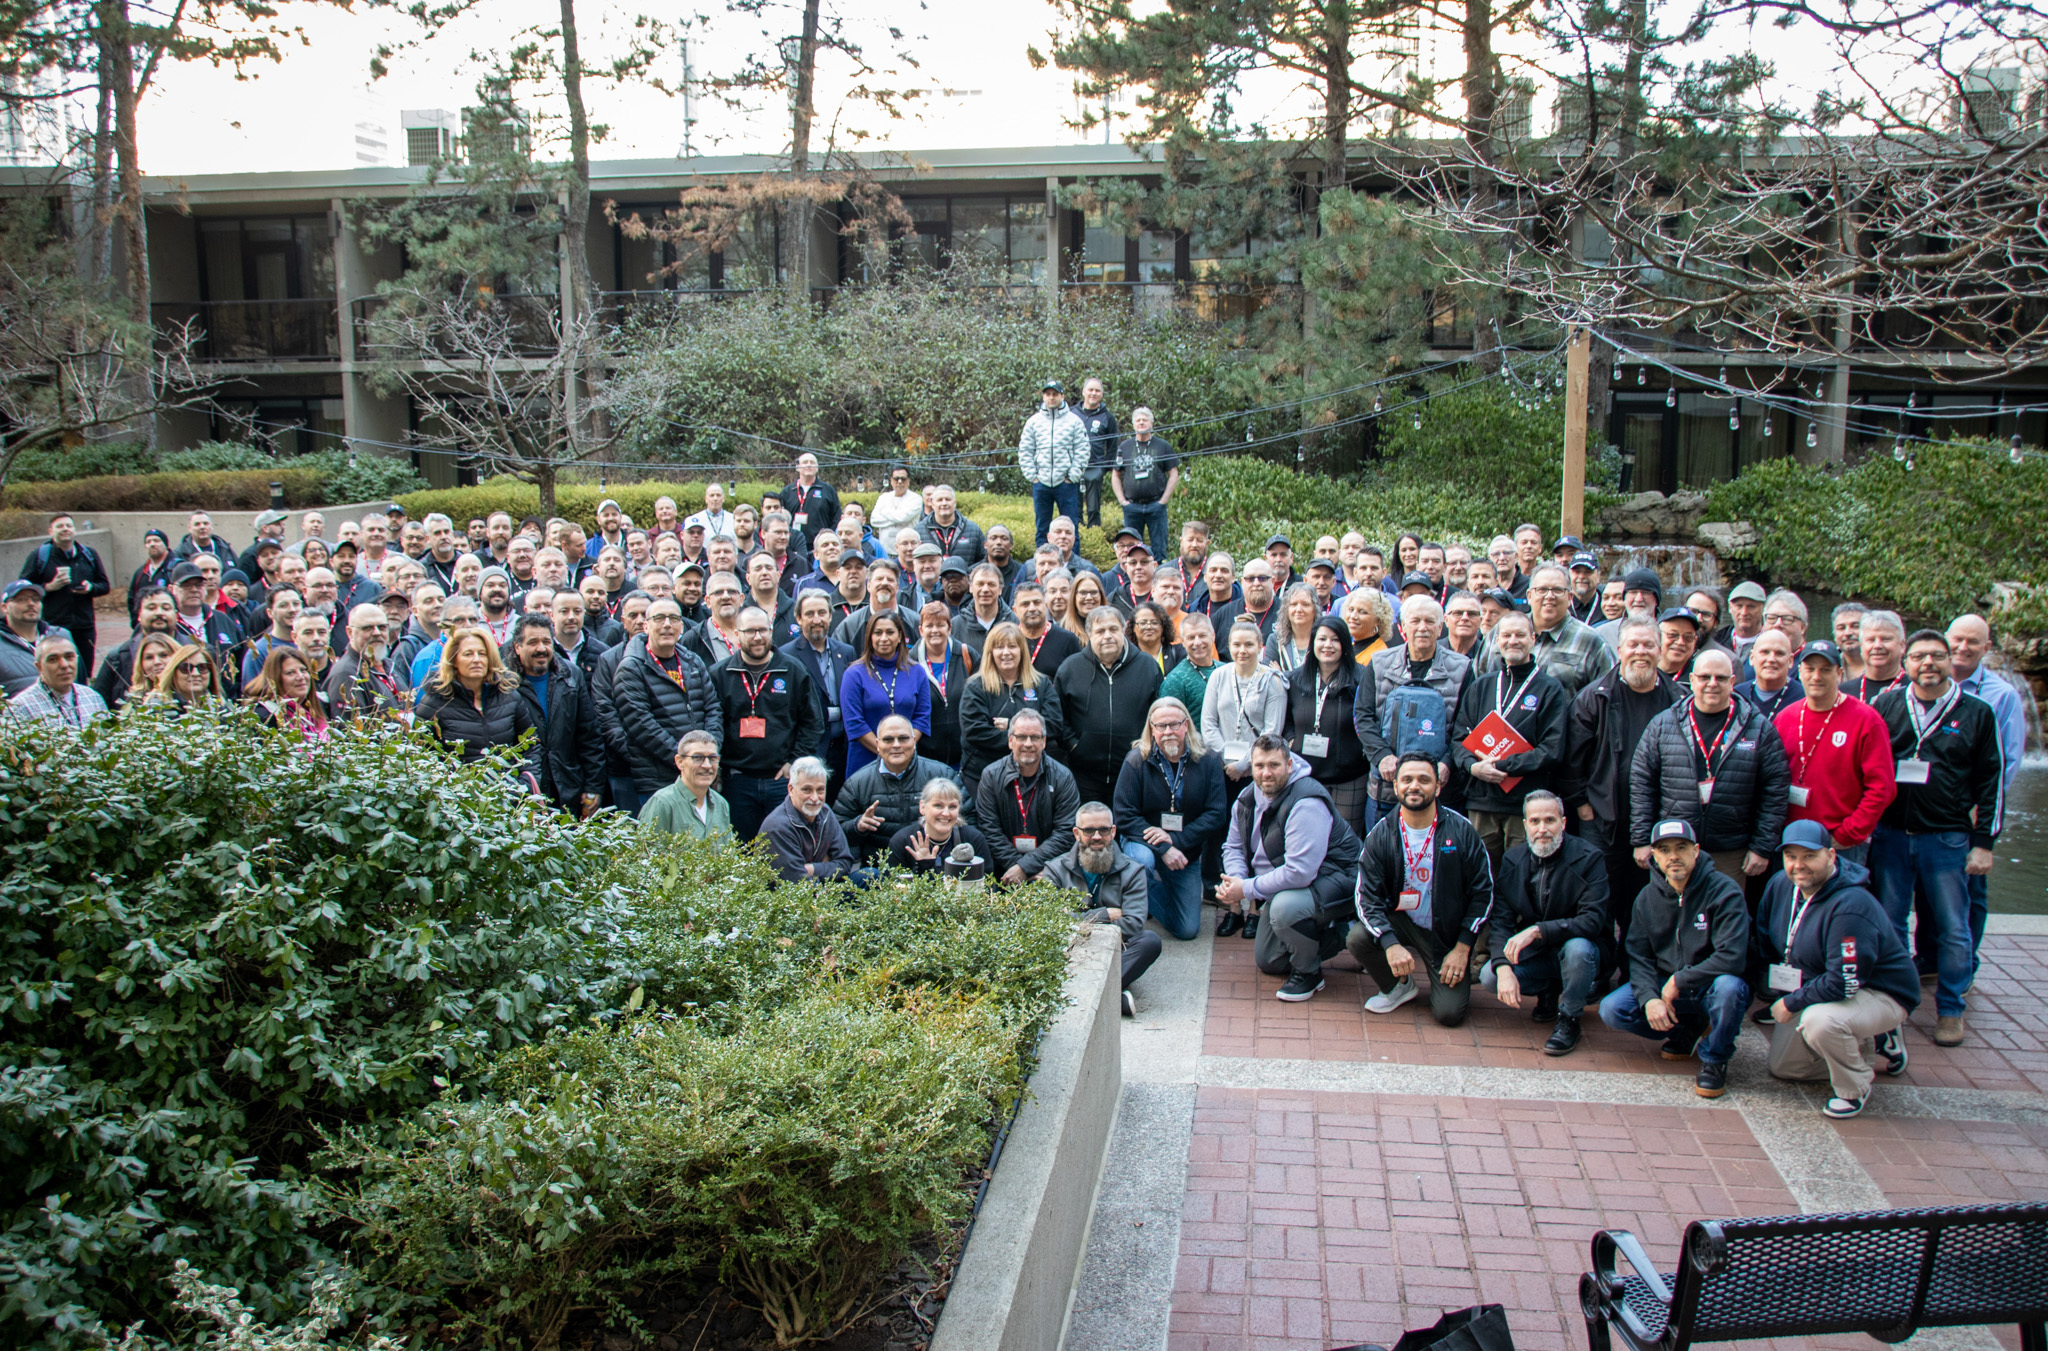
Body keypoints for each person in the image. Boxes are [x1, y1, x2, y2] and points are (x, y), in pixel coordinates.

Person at [1868, 629, 2003, 1048]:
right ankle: (1891, 1002)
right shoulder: (1886, 705)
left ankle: (1950, 1009)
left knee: (1952, 927)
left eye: (1937, 656)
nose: (1928, 664)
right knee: (1889, 924)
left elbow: (1991, 782)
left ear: (1950, 662)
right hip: (1890, 835)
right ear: (1905, 663)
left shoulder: (1977, 712)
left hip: (1946, 838)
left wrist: (1984, 843)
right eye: (1920, 657)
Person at [1751, 819, 1915, 1117]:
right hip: (1819, 984)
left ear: (1831, 856)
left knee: (1820, 1022)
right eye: (1791, 857)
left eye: (1809, 856)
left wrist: (1792, 1002)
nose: (1799, 865)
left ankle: (1855, 1086)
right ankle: (1876, 1038)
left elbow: (1844, 981)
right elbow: (1765, 940)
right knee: (1786, 1068)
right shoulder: (1780, 885)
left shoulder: (1851, 904)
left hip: (1876, 991)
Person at [1597, 819, 1751, 1098]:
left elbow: (1732, 957)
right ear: (1654, 856)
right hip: (1666, 983)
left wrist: (1680, 979)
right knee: (1612, 1009)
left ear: (1696, 850)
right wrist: (1649, 998)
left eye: (1681, 847)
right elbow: (1638, 954)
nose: (1673, 856)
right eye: (1664, 850)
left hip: (1710, 983)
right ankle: (1686, 1028)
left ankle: (1715, 1059)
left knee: (1731, 989)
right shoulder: (1646, 897)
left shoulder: (1724, 891)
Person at [1563, 616, 1683, 967]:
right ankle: (1598, 969)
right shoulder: (1594, 697)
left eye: (1648, 645)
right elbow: (1572, 759)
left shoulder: (1677, 700)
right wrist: (1582, 804)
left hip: (1658, 824)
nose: (1641, 652)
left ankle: (1637, 972)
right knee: (1598, 898)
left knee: (1646, 901)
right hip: (1601, 821)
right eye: (1634, 645)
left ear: (1660, 651)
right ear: (1620, 650)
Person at [1629, 647, 1790, 886]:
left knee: (1725, 917)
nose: (1712, 684)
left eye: (1721, 678)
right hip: (1674, 846)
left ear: (1733, 681)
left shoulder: (1758, 728)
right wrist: (1642, 839)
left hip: (1731, 850)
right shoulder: (1664, 725)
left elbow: (1775, 791)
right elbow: (1642, 783)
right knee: (1673, 916)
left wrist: (1762, 847)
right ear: (1692, 680)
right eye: (1705, 677)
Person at [1350, 754, 1492, 1024]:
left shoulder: (1462, 831)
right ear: (1396, 786)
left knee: (1448, 1015)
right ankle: (1398, 986)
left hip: (1447, 934)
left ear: (1438, 787)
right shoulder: (1381, 834)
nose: (1414, 786)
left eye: (1424, 780)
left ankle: (1443, 972)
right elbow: (1366, 898)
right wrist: (1390, 944)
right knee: (1358, 938)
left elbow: (1483, 894)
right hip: (1403, 920)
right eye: (1407, 779)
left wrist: (1463, 947)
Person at [1224, 736, 1363, 1002]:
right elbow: (1232, 847)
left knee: (1284, 908)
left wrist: (1247, 889)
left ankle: (1310, 972)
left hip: (1340, 878)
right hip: (1297, 884)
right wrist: (1236, 880)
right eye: (1259, 765)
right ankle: (1334, 934)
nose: (1266, 773)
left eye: (1274, 765)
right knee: (1271, 961)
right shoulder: (1246, 798)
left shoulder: (1306, 800)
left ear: (1289, 764)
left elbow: (1300, 872)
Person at [1482, 791, 1609, 1055]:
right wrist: (1503, 966)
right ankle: (1548, 991)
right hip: (1540, 953)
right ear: (1525, 824)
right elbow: (1502, 920)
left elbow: (1592, 921)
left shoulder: (1589, 857)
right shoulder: (1513, 859)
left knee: (1578, 950)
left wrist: (1539, 930)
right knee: (1489, 977)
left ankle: (1570, 1018)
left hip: (1584, 950)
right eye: (1535, 821)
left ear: (1563, 822)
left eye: (1550, 820)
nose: (1542, 829)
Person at [1450, 610, 1570, 868]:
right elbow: (1458, 739)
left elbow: (1552, 750)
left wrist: (1501, 766)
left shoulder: (1550, 689)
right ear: (1497, 640)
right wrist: (1473, 767)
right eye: (1506, 635)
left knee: (1522, 873)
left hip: (1526, 804)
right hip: (1482, 801)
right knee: (1479, 871)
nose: (1512, 640)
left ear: (1533, 639)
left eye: (1520, 635)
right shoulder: (1481, 685)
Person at [1354, 594, 1472, 832]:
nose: (1422, 628)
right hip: (1386, 786)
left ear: (1441, 628)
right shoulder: (1379, 663)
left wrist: (1447, 763)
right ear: (1402, 627)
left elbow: (1467, 726)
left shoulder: (1462, 668)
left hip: (1441, 789)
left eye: (1430, 621)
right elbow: (1362, 716)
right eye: (1415, 621)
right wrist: (1382, 756)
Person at [1113, 696, 1227, 941]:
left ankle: (1149, 895)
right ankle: (1139, 895)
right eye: (1160, 726)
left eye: (1174, 724)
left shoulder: (1208, 759)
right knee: (1140, 863)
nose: (1168, 732)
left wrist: (1178, 841)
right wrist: (1164, 847)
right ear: (1151, 729)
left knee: (1187, 930)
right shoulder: (1137, 760)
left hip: (1185, 849)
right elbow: (1124, 815)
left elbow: (1217, 813)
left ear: (1186, 725)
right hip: (1143, 843)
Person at [1773, 640, 1894, 865]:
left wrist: (1848, 833)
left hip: (1839, 844)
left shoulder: (1866, 720)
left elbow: (1882, 787)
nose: (1816, 677)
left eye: (1825, 670)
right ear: (1799, 671)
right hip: (1790, 841)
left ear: (1839, 674)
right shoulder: (1785, 717)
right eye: (1810, 669)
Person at [709, 604, 821, 839]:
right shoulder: (720, 674)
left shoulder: (793, 670)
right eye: (750, 631)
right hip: (737, 779)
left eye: (763, 630)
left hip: (779, 778)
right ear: (737, 634)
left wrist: (794, 761)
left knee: (782, 846)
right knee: (742, 848)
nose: (758, 637)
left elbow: (812, 722)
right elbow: (712, 722)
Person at [1043, 801, 1164, 1015]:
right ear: (1076, 833)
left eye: (1104, 830)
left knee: (1150, 942)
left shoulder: (1134, 871)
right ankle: (1113, 995)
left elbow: (1135, 925)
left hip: (1117, 948)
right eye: (1089, 830)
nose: (1097, 836)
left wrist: (1078, 920)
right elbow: (1051, 922)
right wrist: (1105, 914)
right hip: (1071, 947)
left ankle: (1077, 989)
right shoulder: (1054, 869)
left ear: (1113, 831)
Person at [609, 598, 723, 810]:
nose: (667, 624)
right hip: (657, 778)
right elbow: (641, 725)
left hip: (699, 773)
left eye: (674, 619)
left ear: (682, 625)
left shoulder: (692, 660)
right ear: (646, 625)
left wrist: (708, 754)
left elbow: (713, 708)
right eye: (659, 618)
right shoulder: (631, 668)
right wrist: (687, 760)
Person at [1055, 606, 1165, 809]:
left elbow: (1159, 713)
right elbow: (1058, 717)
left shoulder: (1147, 667)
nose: (1107, 636)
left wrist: (1146, 742)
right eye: (1100, 631)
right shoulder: (1070, 668)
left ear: (1124, 630)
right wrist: (1074, 745)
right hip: (1084, 774)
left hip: (1134, 771)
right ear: (1089, 634)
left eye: (1113, 629)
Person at [1282, 615, 1372, 837]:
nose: (1328, 646)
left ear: (1345, 643)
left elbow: (1369, 719)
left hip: (1348, 776)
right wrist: (1292, 739)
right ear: (1313, 643)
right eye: (1322, 639)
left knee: (1344, 839)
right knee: (1308, 835)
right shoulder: (1295, 679)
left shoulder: (1362, 677)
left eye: (1335, 640)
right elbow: (1285, 719)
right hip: (1306, 774)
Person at [507, 613, 603, 817]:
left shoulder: (570, 675)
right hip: (523, 790)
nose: (541, 648)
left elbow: (589, 735)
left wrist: (593, 787)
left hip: (568, 787)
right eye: (532, 642)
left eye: (546, 642)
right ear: (517, 647)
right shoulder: (505, 683)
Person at [414, 630, 541, 780]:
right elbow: (420, 755)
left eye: (482, 653)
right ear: (454, 660)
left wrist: (525, 783)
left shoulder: (508, 696)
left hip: (509, 795)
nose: (476, 659)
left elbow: (531, 744)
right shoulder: (435, 702)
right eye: (468, 654)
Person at [960, 621, 1064, 804]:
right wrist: (1024, 739)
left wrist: (1010, 727)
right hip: (983, 776)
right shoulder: (976, 687)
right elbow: (975, 731)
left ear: (1022, 650)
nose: (1006, 652)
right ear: (990, 652)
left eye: (1012, 646)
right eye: (999, 647)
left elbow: (1054, 724)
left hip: (1033, 776)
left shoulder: (1041, 684)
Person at [975, 710, 1080, 884]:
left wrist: (1025, 868)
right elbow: (988, 829)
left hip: (1048, 871)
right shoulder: (991, 776)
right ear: (1010, 741)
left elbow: (1065, 833)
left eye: (1035, 737)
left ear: (1044, 741)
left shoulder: (1063, 777)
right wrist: (1018, 868)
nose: (1028, 743)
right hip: (1003, 871)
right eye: (1022, 737)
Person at [833, 713, 956, 861]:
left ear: (914, 740)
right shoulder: (857, 783)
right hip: (880, 871)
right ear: (877, 744)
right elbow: (836, 834)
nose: (896, 745)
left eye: (903, 738)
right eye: (888, 739)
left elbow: (968, 823)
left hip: (936, 868)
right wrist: (857, 826)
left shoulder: (942, 774)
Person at [1202, 619, 1287, 800]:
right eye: (1237, 644)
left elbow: (1271, 731)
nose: (1242, 650)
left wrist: (1242, 765)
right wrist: (1227, 760)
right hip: (1222, 767)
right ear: (1229, 646)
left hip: (1258, 770)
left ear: (1260, 647)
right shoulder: (1218, 676)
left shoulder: (1273, 681)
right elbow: (1208, 724)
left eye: (1249, 644)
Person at [17, 513, 110, 676]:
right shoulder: (40, 556)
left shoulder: (89, 555)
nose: (65, 529)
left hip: (84, 625)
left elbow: (104, 585)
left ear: (74, 530)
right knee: (53, 671)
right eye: (60, 526)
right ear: (50, 532)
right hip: (53, 625)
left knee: (83, 671)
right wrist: (49, 587)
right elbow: (24, 588)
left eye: (68, 526)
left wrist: (90, 588)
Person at [840, 612, 930, 777]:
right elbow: (854, 724)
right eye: (877, 633)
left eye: (890, 632)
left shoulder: (917, 672)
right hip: (865, 764)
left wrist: (903, 751)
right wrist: (888, 753)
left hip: (908, 762)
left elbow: (922, 718)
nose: (884, 638)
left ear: (900, 636)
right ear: (869, 637)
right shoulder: (854, 674)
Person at [780, 590, 857, 784]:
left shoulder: (846, 652)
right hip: (808, 749)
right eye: (809, 614)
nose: (817, 619)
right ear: (798, 618)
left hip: (843, 748)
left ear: (830, 616)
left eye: (822, 613)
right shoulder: (786, 655)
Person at [761, 757, 865, 884]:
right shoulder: (777, 826)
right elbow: (797, 880)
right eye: (807, 790)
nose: (815, 798)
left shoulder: (825, 812)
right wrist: (827, 866)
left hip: (826, 889)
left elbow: (845, 863)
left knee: (869, 875)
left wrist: (811, 868)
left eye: (820, 790)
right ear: (791, 790)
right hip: (793, 898)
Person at [1019, 379, 1089, 545]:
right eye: (1048, 394)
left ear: (1062, 396)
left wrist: (1072, 476)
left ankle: (1073, 567)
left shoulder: (1074, 421)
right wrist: (1033, 476)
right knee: (1042, 530)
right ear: (1043, 396)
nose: (1051, 398)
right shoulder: (1033, 422)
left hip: (1066, 484)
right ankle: (1042, 566)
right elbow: (1025, 450)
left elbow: (1083, 450)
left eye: (1055, 394)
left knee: (1071, 529)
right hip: (1041, 483)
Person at [888, 777, 992, 875]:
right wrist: (924, 867)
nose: (946, 813)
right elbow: (892, 889)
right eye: (938, 805)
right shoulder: (902, 841)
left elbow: (988, 887)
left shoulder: (973, 839)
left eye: (952, 806)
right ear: (922, 807)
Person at [1111, 406, 1178, 557]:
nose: (1141, 423)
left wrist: (1164, 500)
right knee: (1131, 550)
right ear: (1133, 424)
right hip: (1132, 506)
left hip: (1156, 505)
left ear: (1151, 424)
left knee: (1159, 549)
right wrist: (1122, 501)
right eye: (1138, 420)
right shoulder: (1124, 447)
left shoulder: (1163, 446)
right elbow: (1115, 475)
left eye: (1145, 420)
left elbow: (1174, 473)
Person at [326, 601, 410, 719]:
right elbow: (350, 730)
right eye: (367, 628)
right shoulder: (346, 674)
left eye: (382, 627)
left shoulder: (389, 666)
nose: (377, 633)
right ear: (350, 632)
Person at [4, 633, 108, 727]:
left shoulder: (93, 697)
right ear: (39, 666)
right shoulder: (20, 707)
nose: (64, 665)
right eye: (53, 659)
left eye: (69, 657)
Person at [246, 645, 329, 738]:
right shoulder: (264, 717)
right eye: (290, 673)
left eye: (303, 670)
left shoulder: (318, 706)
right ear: (275, 679)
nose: (301, 676)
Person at [1074, 378, 1120, 528]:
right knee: (1074, 507)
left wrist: (1104, 468)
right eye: (1090, 390)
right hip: (1074, 467)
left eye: (1097, 391)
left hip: (1095, 467)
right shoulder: (1072, 413)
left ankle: (1094, 535)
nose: (1093, 393)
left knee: (1093, 508)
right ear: (1083, 392)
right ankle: (1077, 535)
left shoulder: (1107, 417)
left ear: (1101, 394)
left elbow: (1113, 446)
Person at [1160, 612, 1221, 722]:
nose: (1197, 642)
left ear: (1213, 636)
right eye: (1191, 637)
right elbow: (1170, 723)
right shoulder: (1175, 681)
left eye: (1202, 635)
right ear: (1183, 642)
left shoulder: (1226, 671)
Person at [1012, 580, 1081, 677]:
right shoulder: (1009, 640)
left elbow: (1078, 679)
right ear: (1015, 610)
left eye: (1037, 602)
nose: (1032, 608)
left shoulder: (1067, 639)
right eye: (1025, 604)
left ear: (1046, 605)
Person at [1735, 627, 1804, 721]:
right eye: (1765, 652)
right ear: (1752, 658)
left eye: (1779, 653)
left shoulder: (1803, 698)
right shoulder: (1736, 696)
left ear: (1790, 661)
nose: (1771, 659)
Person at [778, 453, 841, 549]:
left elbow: (836, 517)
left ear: (817, 467)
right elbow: (780, 517)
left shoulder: (828, 490)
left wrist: (828, 536)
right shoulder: (787, 491)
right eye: (805, 462)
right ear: (797, 467)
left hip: (820, 545)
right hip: (792, 544)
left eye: (812, 462)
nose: (809, 465)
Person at [918, 484, 986, 566]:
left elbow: (984, 559)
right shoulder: (919, 531)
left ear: (955, 503)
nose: (944, 503)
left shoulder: (973, 530)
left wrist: (968, 574)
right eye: (940, 500)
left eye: (948, 499)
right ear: (932, 504)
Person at [1850, 610, 1909, 703]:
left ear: (1902, 645)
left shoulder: (1915, 691)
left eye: (1886, 639)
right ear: (1861, 646)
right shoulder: (1843, 692)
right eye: (1871, 640)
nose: (1877, 646)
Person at [1212, 559, 1279, 640]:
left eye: (1262, 578)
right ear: (1242, 582)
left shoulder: (1286, 613)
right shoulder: (1223, 615)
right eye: (1250, 579)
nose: (1256, 583)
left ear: (1273, 581)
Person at [1265, 585, 1321, 674]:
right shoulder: (1275, 639)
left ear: (1315, 609)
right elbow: (1269, 677)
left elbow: (1323, 677)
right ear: (1286, 609)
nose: (1298, 609)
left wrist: (1283, 675)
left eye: (1305, 604)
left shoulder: (1323, 639)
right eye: (1294, 604)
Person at [1127, 600, 1181, 676]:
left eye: (1155, 622)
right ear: (1133, 627)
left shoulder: (1178, 654)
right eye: (1143, 623)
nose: (1149, 627)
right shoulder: (1127, 658)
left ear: (1163, 626)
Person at [871, 463, 925, 538]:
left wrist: (884, 512)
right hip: (884, 547)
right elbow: (874, 520)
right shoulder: (883, 498)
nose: (899, 482)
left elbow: (903, 518)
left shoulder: (916, 499)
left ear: (908, 481)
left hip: (908, 546)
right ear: (891, 481)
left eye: (903, 479)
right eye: (896, 479)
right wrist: (898, 520)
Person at [1832, 601, 1869, 682]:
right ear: (1834, 634)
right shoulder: (1829, 664)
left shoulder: (1883, 665)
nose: (1848, 633)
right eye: (1841, 628)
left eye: (1855, 626)